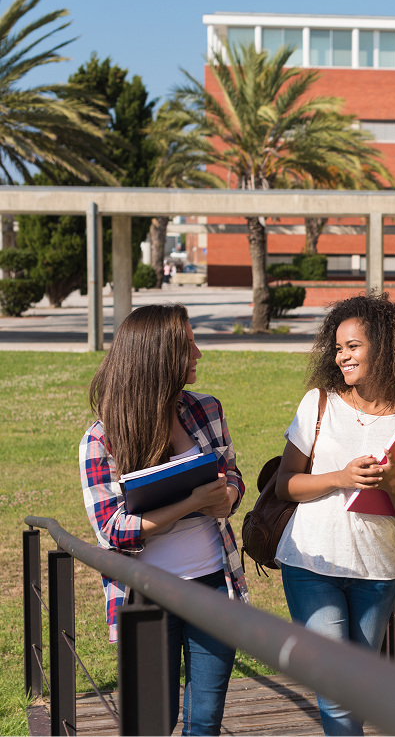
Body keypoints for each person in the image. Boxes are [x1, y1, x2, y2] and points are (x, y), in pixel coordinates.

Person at [80, 304, 248, 736]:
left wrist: (227, 495)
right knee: (154, 722)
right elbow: (112, 530)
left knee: (205, 719)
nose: (198, 352)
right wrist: (190, 503)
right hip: (145, 597)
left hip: (213, 584)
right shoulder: (102, 438)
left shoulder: (206, 409)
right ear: (159, 356)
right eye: (187, 344)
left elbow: (232, 476)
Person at [275, 293, 395, 736]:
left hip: (376, 573)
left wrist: (392, 485)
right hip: (311, 563)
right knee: (337, 683)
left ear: (383, 348)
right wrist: (341, 477)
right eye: (339, 347)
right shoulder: (319, 404)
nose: (342, 356)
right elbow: (284, 483)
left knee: (355, 690)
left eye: (354, 347)